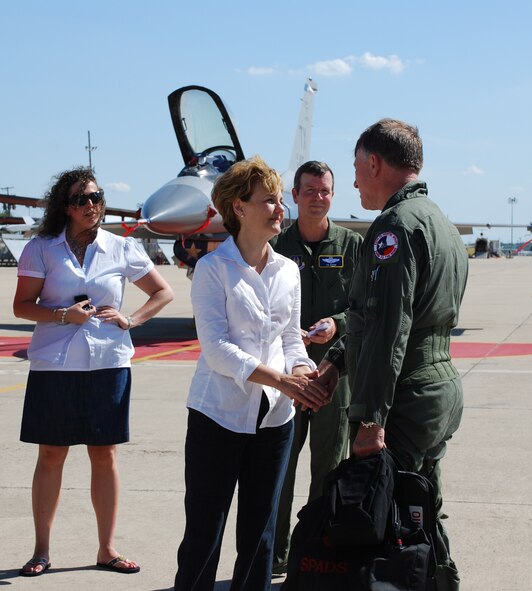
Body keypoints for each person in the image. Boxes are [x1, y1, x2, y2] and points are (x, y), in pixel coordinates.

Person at [317, 119, 468, 590]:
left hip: (405, 391)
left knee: (387, 521)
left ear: (375, 162)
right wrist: (338, 359)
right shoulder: (440, 221)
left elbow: (388, 329)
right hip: (437, 386)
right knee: (421, 508)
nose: (356, 180)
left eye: (357, 168)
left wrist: (370, 419)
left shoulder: (394, 227)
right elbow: (379, 318)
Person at [173, 156, 327, 591]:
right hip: (216, 416)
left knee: (260, 534)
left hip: (275, 420)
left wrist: (303, 372)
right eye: (269, 201)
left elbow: (291, 340)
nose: (281, 209)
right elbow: (217, 350)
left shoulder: (288, 271)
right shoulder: (211, 269)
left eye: (281, 201)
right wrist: (281, 379)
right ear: (239, 208)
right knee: (205, 532)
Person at [13, 166, 174, 576]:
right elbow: (22, 306)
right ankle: (41, 551)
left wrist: (133, 319)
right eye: (81, 199)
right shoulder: (42, 248)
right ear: (64, 207)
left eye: (96, 197)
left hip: (108, 362)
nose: (91, 205)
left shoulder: (121, 247)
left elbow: (162, 291)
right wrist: (62, 315)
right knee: (51, 455)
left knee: (104, 455)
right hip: (55, 364)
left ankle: (106, 549)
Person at [270, 160, 362, 573]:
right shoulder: (275, 246)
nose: (318, 198)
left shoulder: (351, 245)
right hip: (287, 378)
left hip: (333, 376)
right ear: (294, 196)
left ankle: (316, 554)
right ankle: (274, 554)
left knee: (327, 470)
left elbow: (363, 307)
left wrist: (337, 324)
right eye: (310, 191)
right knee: (279, 469)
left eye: (325, 191)